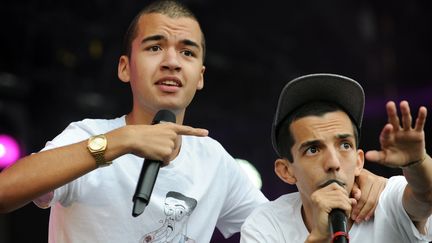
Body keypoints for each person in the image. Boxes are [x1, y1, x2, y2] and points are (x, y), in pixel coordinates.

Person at [0, 1, 384, 242]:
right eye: (155, 47)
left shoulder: (214, 161)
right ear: (124, 68)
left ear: (199, 75)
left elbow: (281, 224)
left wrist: (352, 181)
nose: (171, 61)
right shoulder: (89, 136)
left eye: (186, 51)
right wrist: (120, 142)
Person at [240, 73, 432, 242]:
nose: (333, 163)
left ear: (359, 161)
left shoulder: (388, 198)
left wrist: (418, 163)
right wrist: (319, 238)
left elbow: (426, 198)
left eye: (345, 145)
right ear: (286, 171)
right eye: (313, 150)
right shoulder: (267, 224)